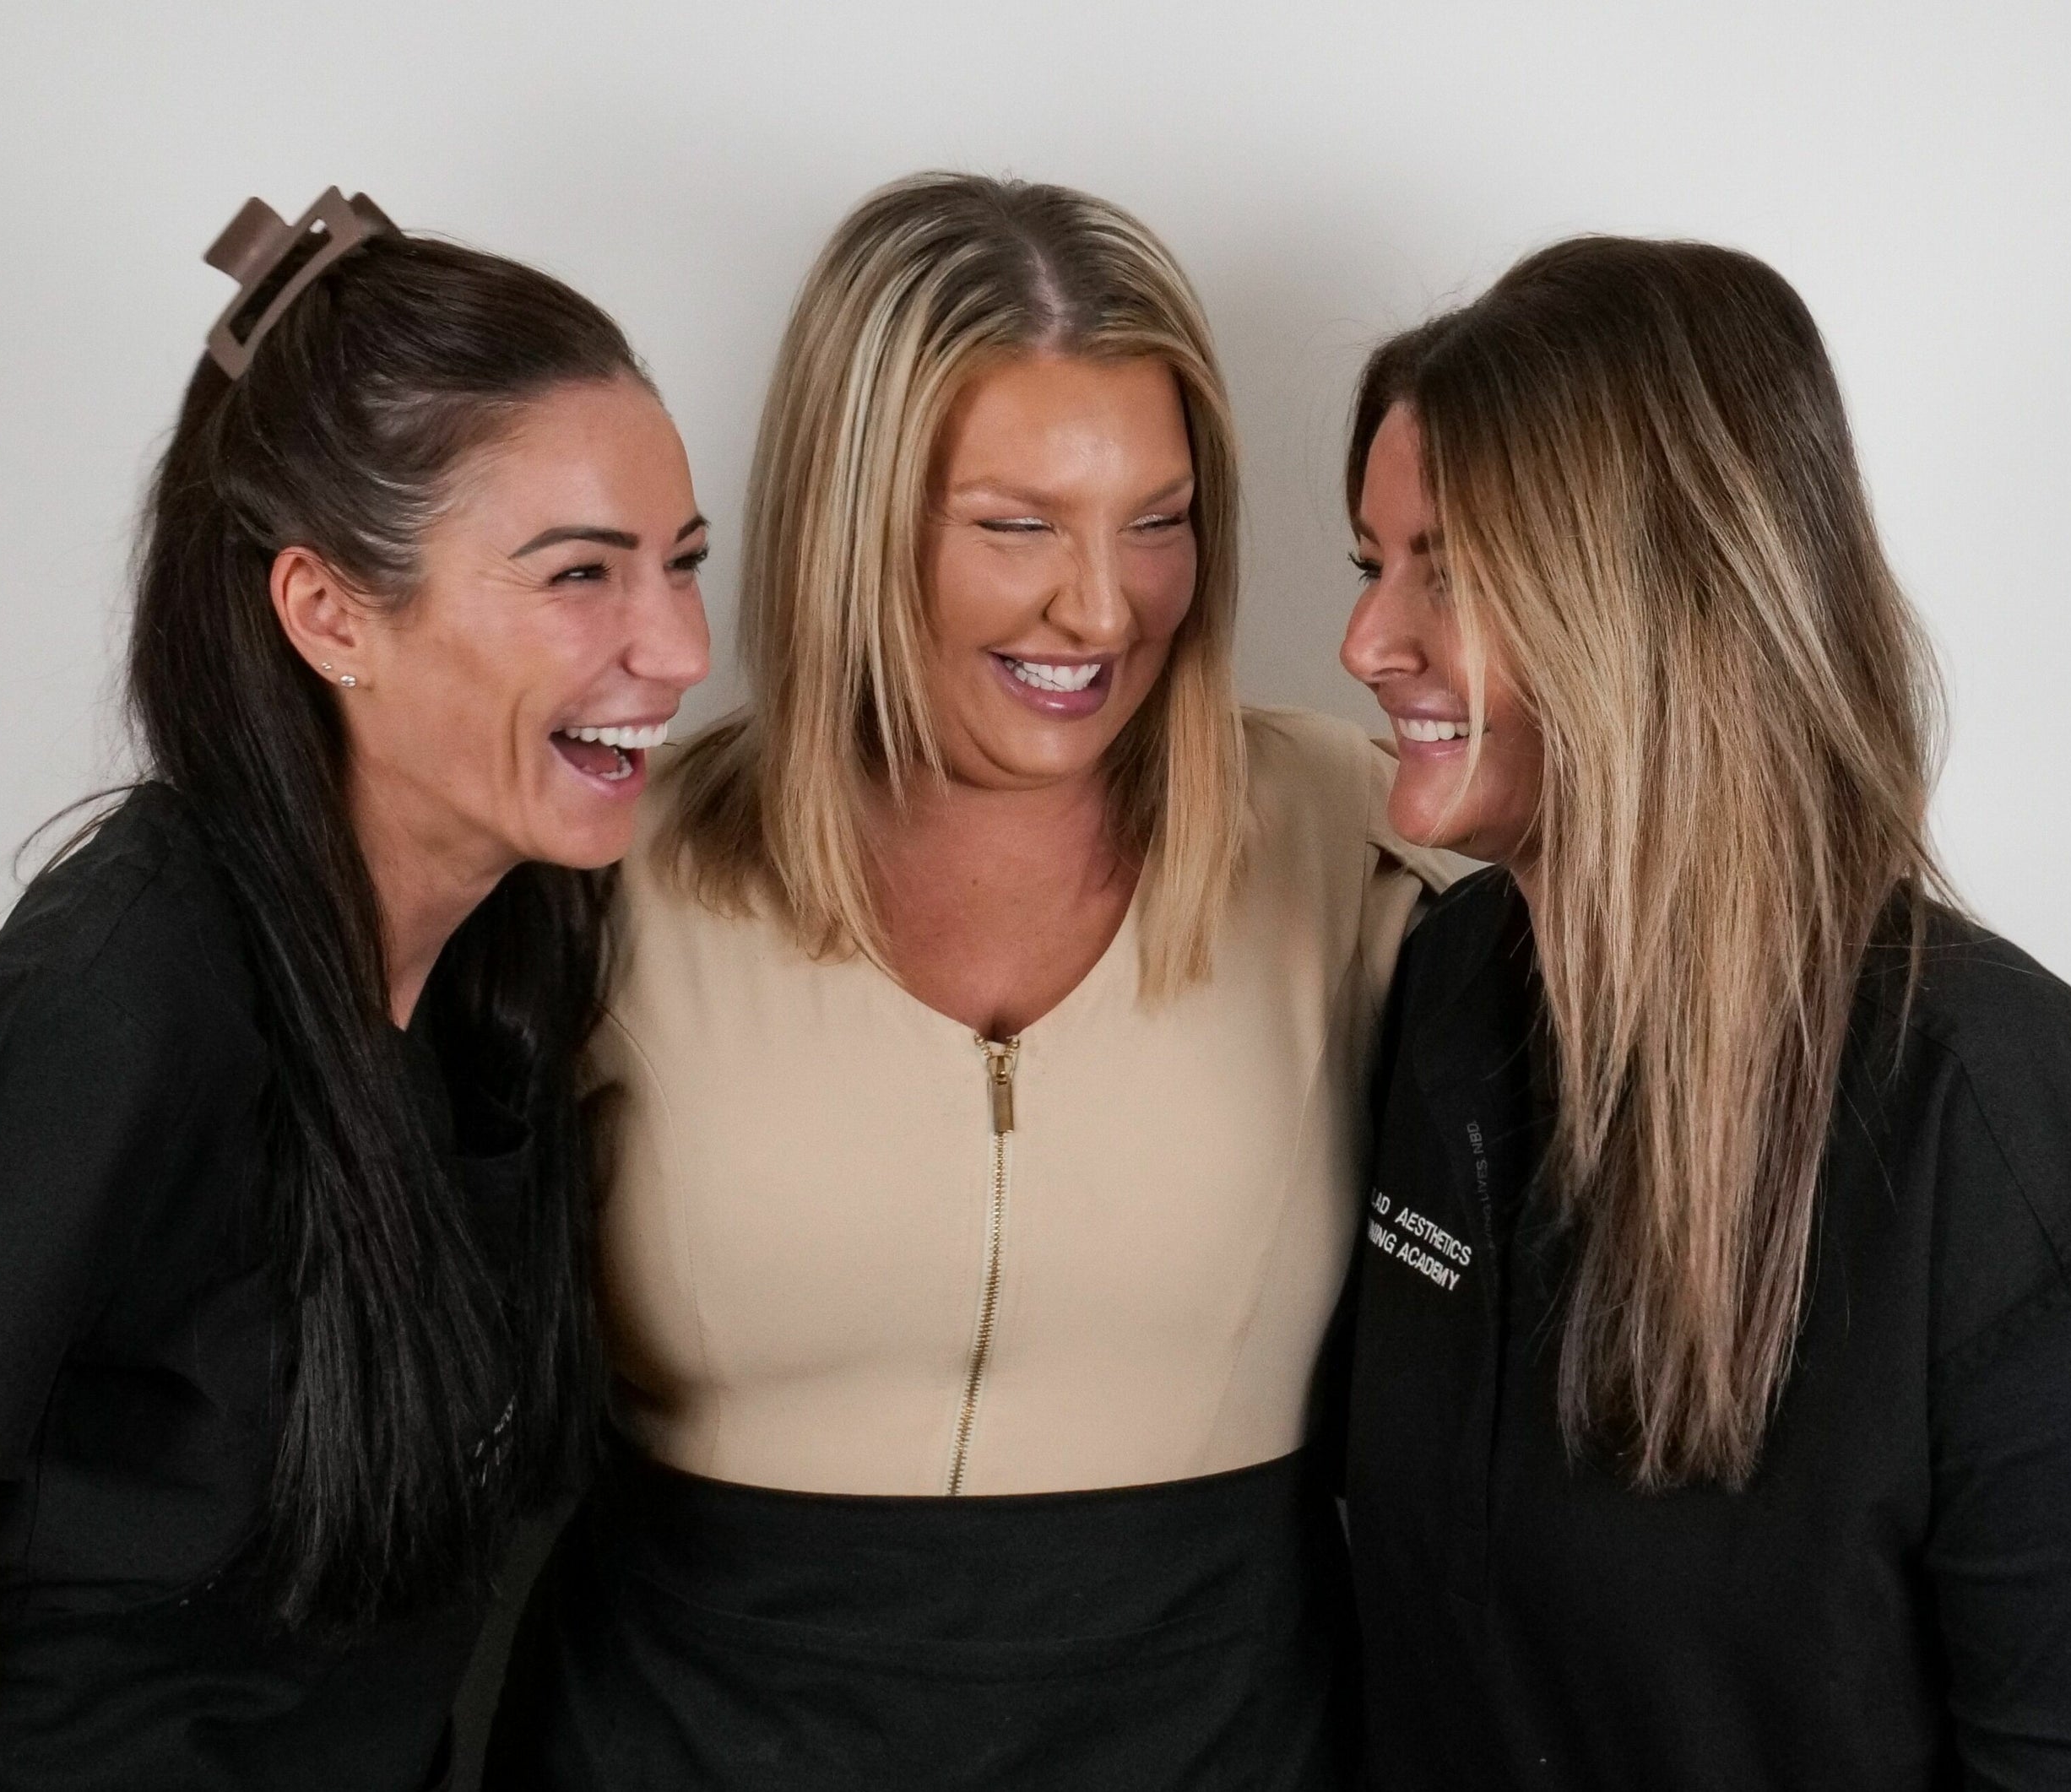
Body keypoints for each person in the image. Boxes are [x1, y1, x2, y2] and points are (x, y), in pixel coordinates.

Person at [0, 188, 712, 1791]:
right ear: (329, 611)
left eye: (681, 564)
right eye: (581, 575)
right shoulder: (106, 1014)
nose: (678, 648)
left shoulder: (504, 956)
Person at [476, 172, 1449, 1789]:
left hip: (1221, 1743)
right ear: (854, 518)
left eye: (1158, 521)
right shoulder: (608, 868)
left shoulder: (1359, 838)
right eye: (1017, 525)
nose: (1101, 605)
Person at [1334, 235, 2071, 1789]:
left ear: (1660, 601)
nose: (1365, 644)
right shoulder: (1447, 990)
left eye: (1447, 570)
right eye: (1371, 564)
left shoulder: (2003, 1125)